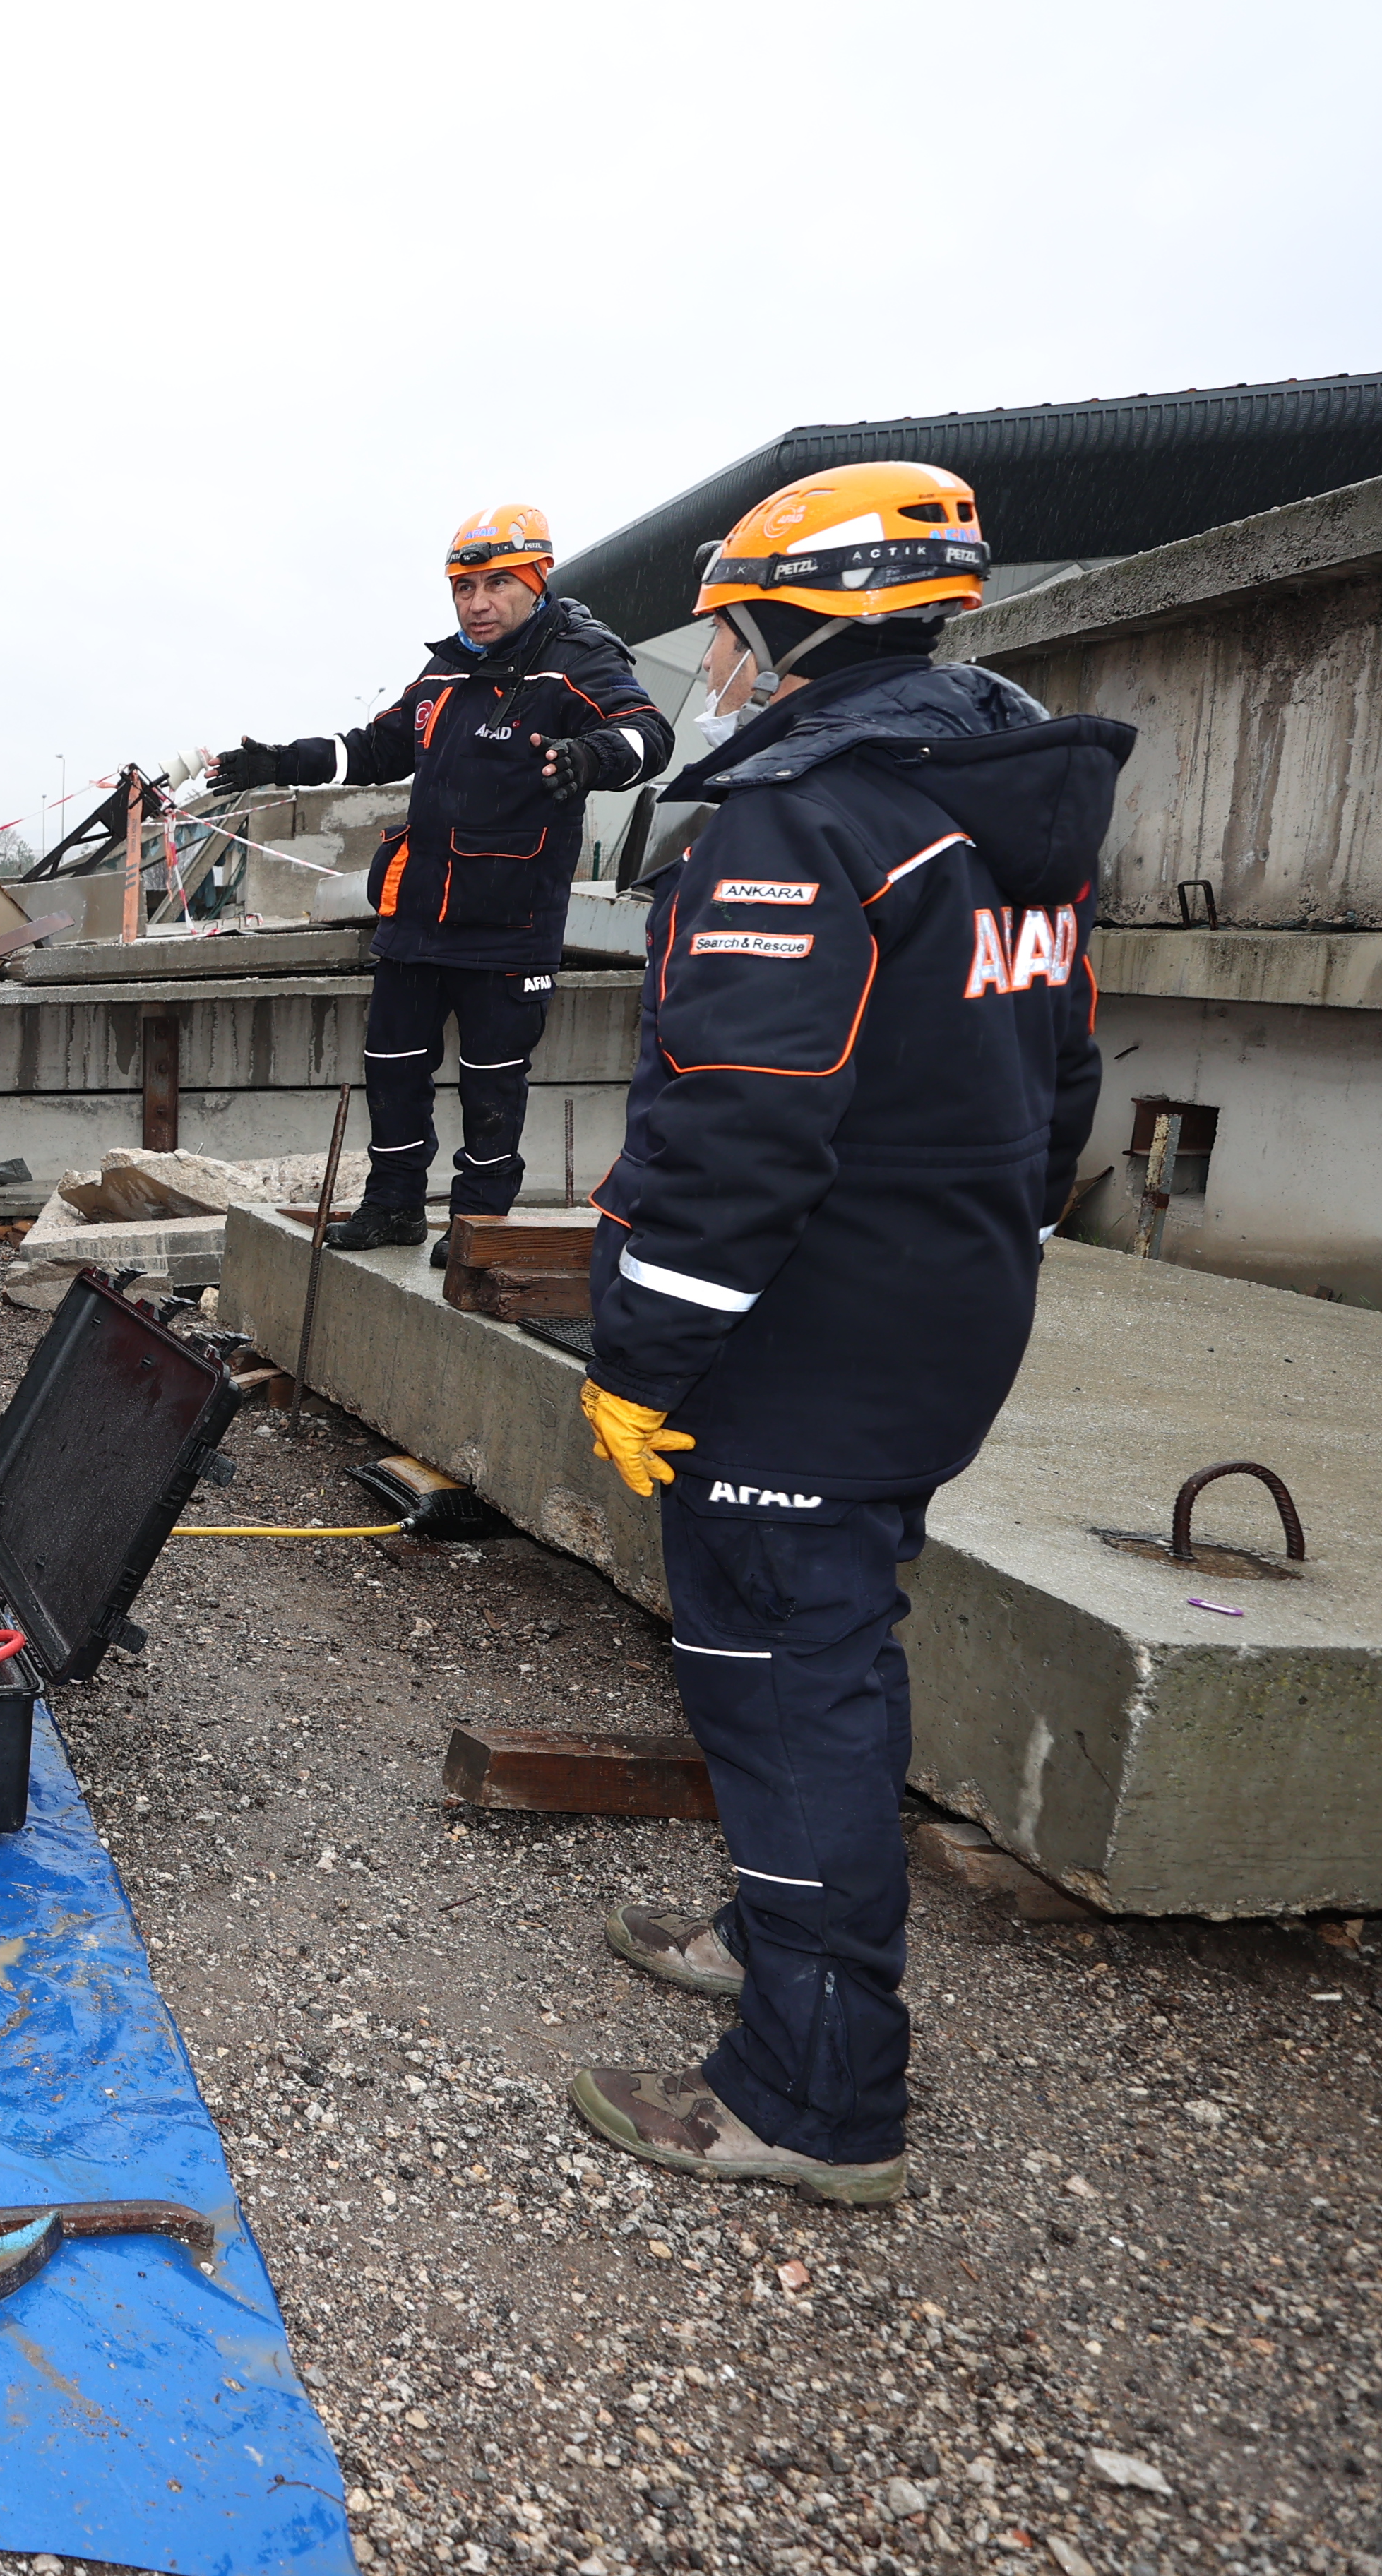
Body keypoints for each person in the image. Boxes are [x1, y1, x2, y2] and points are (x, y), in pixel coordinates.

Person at [567, 463, 1119, 2205]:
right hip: (938, 1318)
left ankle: (810, 2096)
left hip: (803, 1353)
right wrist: (970, 1260)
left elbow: (738, 1129)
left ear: (803, 620)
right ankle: (765, 1932)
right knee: (826, 1638)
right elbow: (1061, 1086)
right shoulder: (994, 804)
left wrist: (640, 1358)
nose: (713, 657)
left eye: (729, 624)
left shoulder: (800, 820)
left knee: (787, 1682)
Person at [208, 506, 672, 1258]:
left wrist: (591, 757)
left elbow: (647, 733)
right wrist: (281, 762)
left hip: (508, 927)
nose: (477, 604)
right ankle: (392, 1207)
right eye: (463, 588)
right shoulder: (445, 667)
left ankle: (478, 1224)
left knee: (493, 1087)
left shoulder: (577, 657)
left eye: (495, 585)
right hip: (417, 917)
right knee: (391, 1072)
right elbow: (376, 748)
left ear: (536, 581)